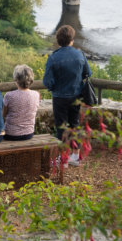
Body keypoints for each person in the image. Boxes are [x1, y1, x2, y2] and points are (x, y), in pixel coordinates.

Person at [43, 24, 91, 166]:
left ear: (58, 40)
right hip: (76, 96)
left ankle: (62, 159)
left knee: (61, 128)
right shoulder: (80, 54)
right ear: (72, 39)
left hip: (60, 97)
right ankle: (76, 156)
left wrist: (55, 87)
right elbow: (88, 73)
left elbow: (47, 82)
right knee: (74, 125)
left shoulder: (53, 58)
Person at [3, 64, 40, 141]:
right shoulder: (36, 95)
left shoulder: (9, 95)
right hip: (29, 133)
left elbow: (3, 115)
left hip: (11, 134)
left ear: (16, 80)